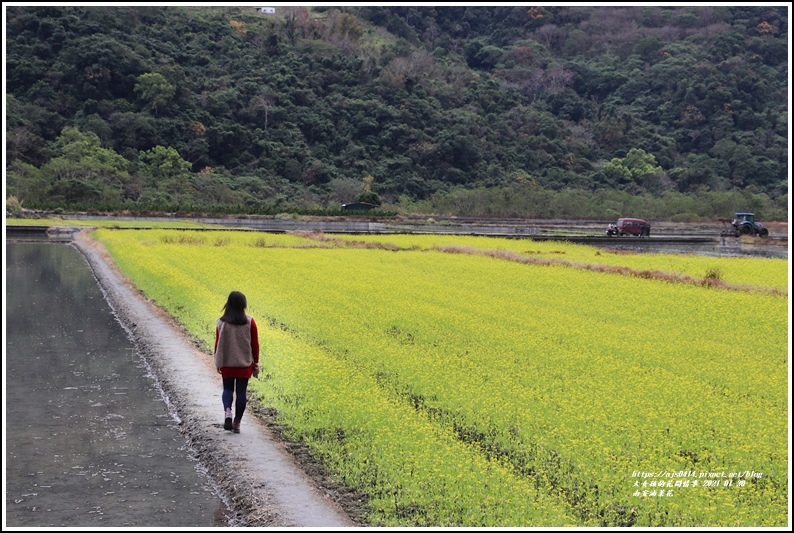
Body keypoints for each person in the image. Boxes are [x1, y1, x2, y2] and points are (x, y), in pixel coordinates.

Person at [214, 291, 260, 433]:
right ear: (243, 305)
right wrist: (256, 362)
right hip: (244, 364)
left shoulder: (221, 322)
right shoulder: (250, 321)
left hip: (227, 363)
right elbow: (255, 344)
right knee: (241, 392)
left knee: (227, 389)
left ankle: (228, 411)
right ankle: (237, 423)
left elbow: (217, 344)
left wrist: (218, 361)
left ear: (228, 304)